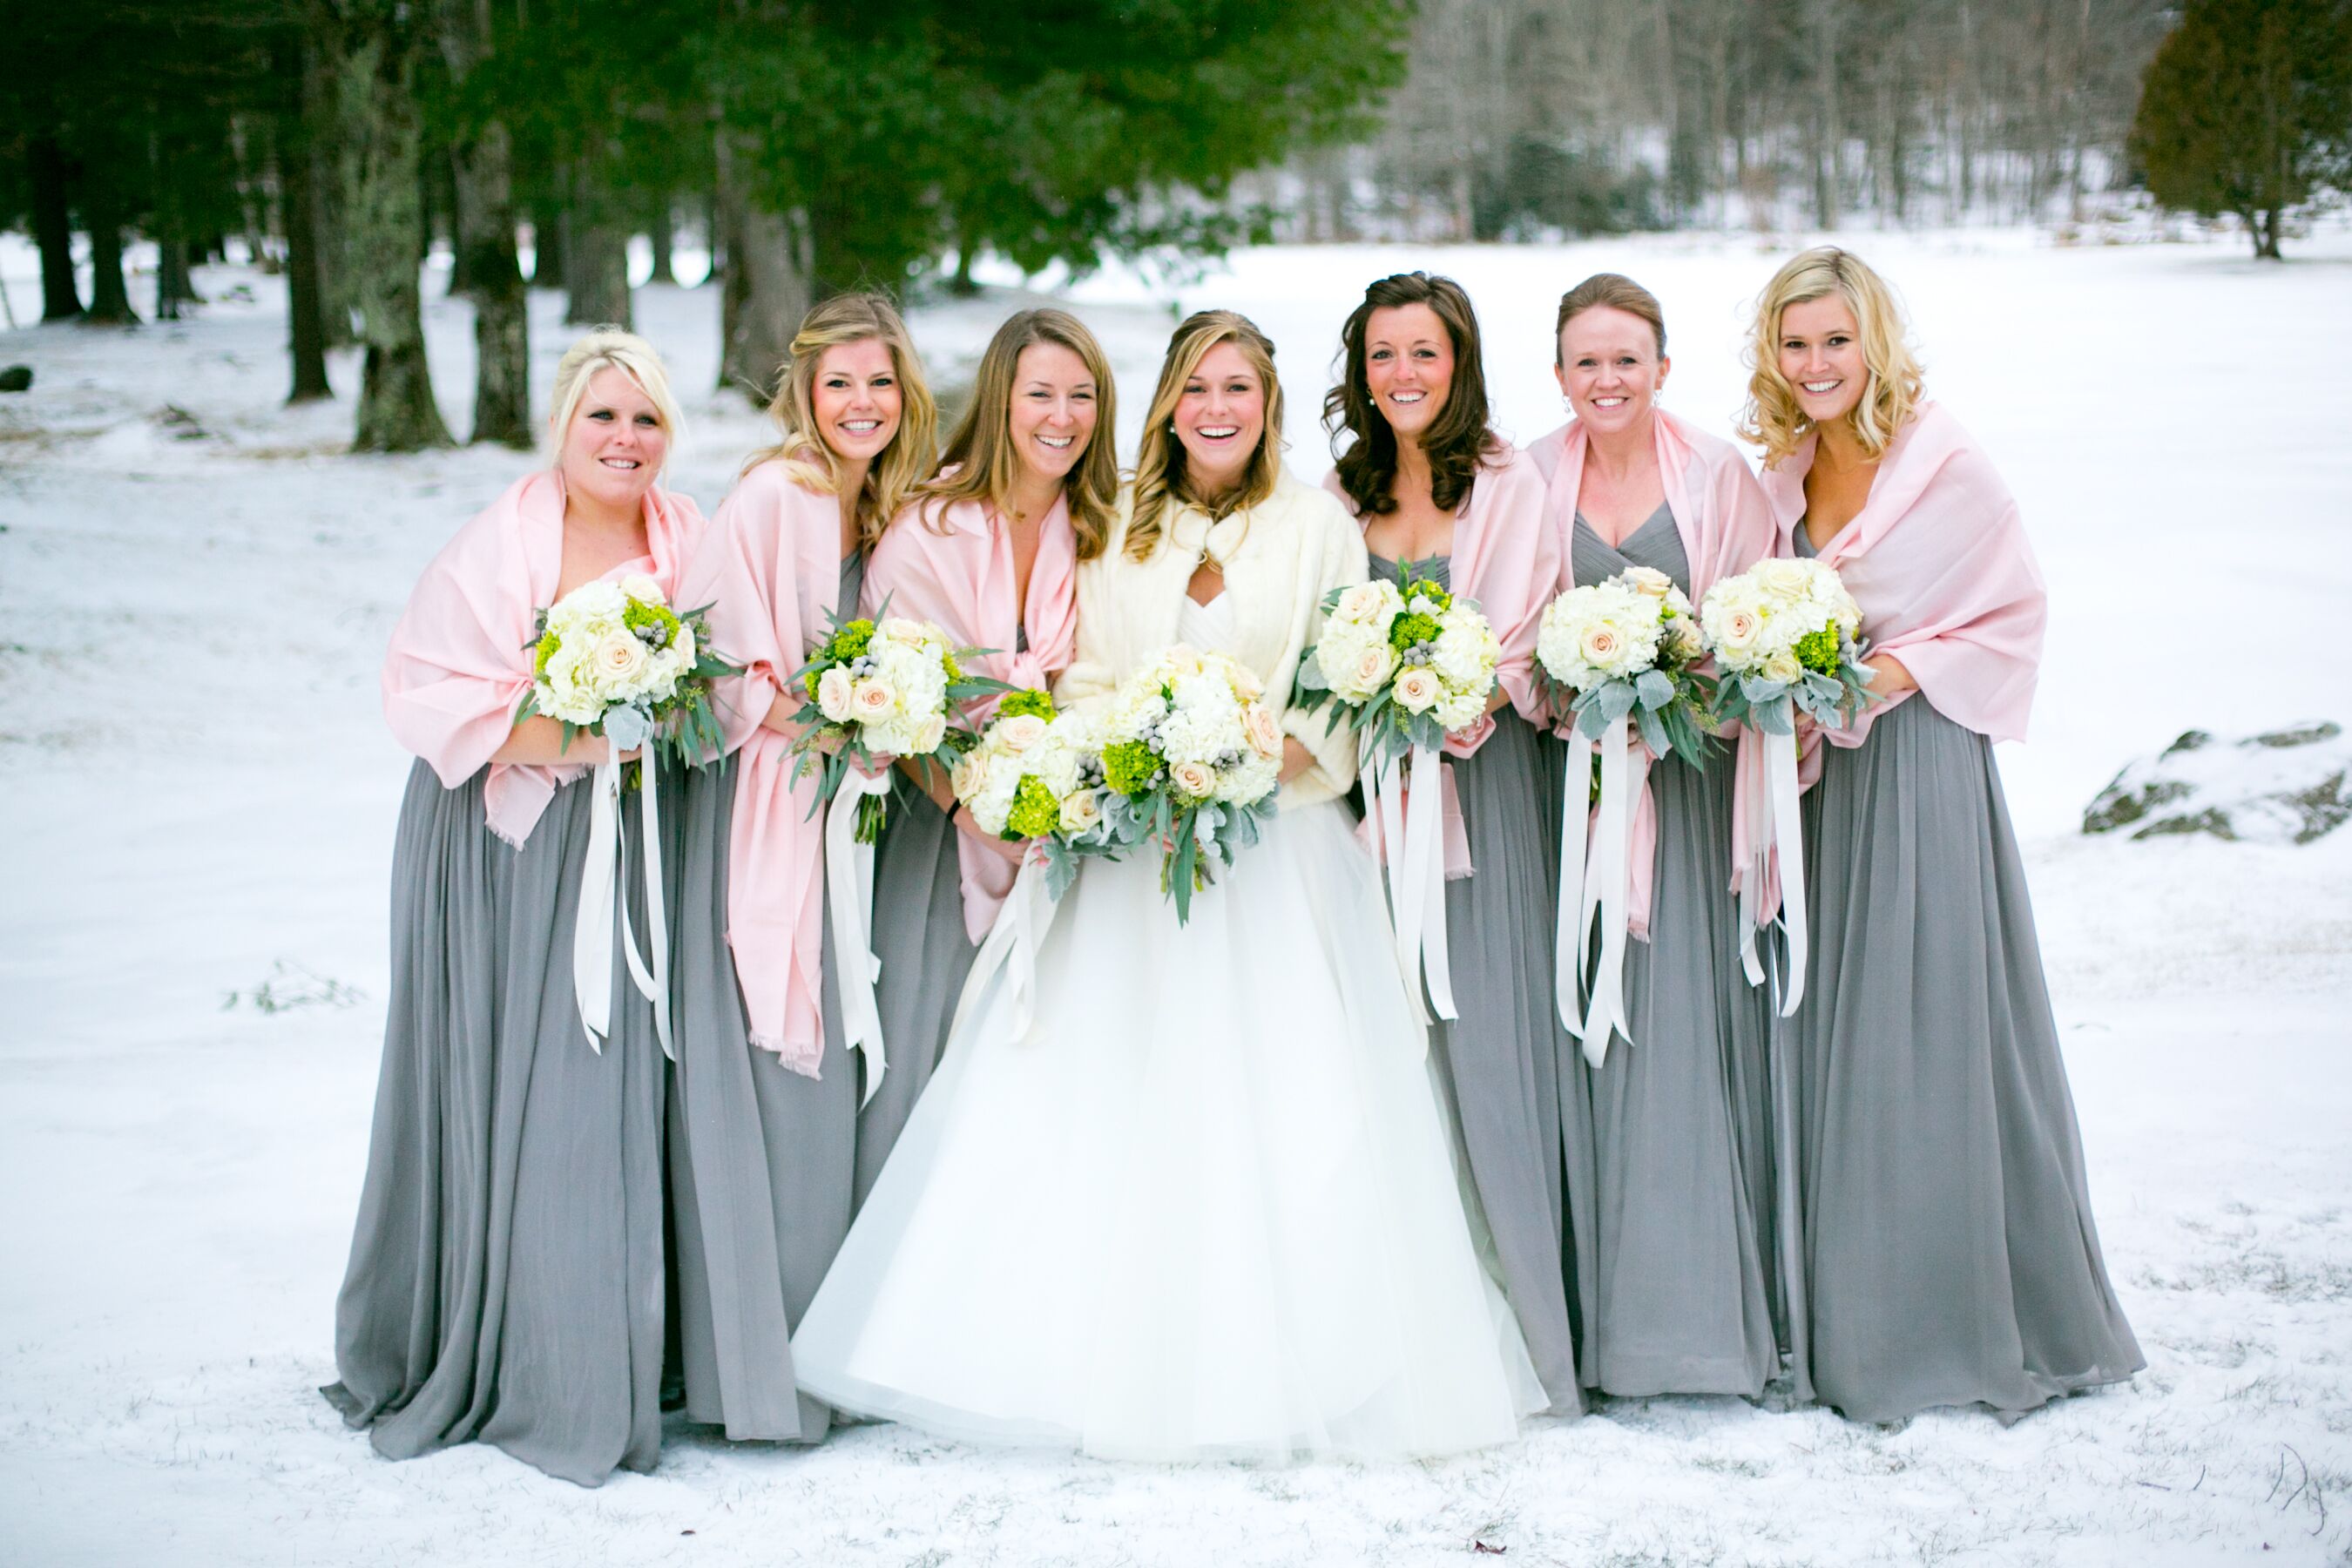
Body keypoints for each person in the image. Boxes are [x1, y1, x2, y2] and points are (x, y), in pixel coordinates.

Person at [789, 309, 1545, 1461]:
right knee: (1107, 1092)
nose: (1217, 408)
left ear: (1268, 402)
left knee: (1302, 1103)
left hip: (1280, 845)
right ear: (1168, 405)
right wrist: (1135, 755)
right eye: (1196, 387)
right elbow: (1089, 674)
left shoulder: (1315, 528)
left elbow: (1340, 682)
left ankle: (1317, 1362)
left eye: (1238, 386)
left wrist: (1258, 759)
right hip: (1139, 846)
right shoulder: (1121, 526)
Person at [1745, 247, 2143, 1422]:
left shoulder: (1944, 462)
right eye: (1794, 342)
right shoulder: (1783, 471)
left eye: (1834, 340)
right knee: (1822, 1028)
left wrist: (1897, 676)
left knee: (1920, 1029)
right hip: (1812, 780)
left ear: (1874, 342)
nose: (1816, 364)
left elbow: (2011, 611)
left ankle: (1940, 1319)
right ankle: (1831, 1304)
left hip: (1917, 766)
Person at [326, 328, 702, 1485]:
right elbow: (431, 696)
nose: (625, 440)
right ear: (562, 426)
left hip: (636, 845)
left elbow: (721, 686)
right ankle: (500, 1351)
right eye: (603, 417)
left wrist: (653, 725)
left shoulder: (688, 539)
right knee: (511, 1088)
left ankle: (607, 1349)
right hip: (504, 847)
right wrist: (592, 731)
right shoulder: (501, 544)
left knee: (610, 1103)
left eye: (645, 420)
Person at [667, 293, 937, 1443]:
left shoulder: (894, 502)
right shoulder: (778, 492)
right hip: (775, 808)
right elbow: (717, 656)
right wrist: (816, 717)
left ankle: (840, 1352)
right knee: (788, 1076)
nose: (862, 404)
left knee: (849, 1077)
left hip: (862, 803)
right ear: (805, 393)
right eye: (840, 386)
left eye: (881, 384)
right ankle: (762, 1372)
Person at [1321, 272, 1584, 1416]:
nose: (1403, 377)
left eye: (1423, 354)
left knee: (1492, 1044)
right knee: (1390, 1054)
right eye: (1383, 357)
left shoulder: (1509, 482)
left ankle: (1532, 1319)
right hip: (1369, 810)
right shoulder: (1340, 495)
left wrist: (1453, 696)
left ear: (1460, 360)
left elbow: (1525, 636)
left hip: (1490, 796)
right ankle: (1399, 1326)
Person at [1526, 273, 1784, 1400]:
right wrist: (1572, 687)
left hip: (1688, 790)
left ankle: (1691, 1326)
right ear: (1559, 374)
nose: (1607, 380)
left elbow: (1755, 618)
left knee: (1680, 1038)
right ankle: (1594, 1320)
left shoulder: (1719, 474)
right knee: (1584, 1041)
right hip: (1572, 801)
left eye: (1627, 358)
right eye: (1586, 361)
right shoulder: (1530, 477)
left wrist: (1675, 681)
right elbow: (1513, 627)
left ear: (1665, 367)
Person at [852, 308, 1114, 1202]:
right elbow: (889, 700)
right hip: (937, 828)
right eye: (1041, 392)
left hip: (1067, 837)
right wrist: (971, 808)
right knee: (933, 1049)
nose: (1062, 416)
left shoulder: (1103, 528)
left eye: (1082, 396)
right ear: (1001, 399)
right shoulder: (933, 526)